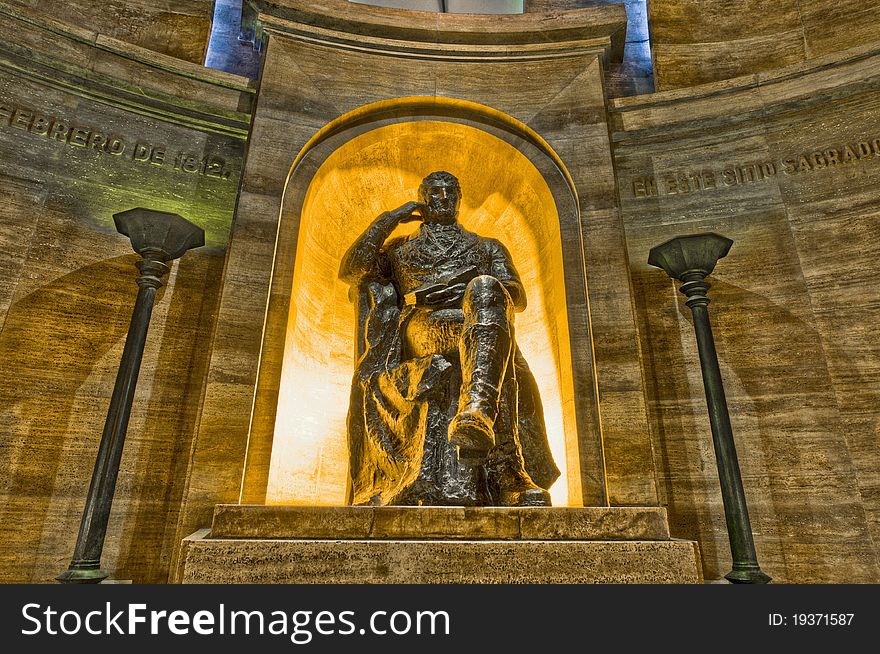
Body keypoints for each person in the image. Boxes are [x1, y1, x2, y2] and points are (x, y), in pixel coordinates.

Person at [339, 171, 558, 506]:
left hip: (476, 318)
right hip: (423, 326)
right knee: (497, 349)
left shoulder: (487, 246)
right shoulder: (400, 249)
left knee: (487, 290)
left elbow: (517, 294)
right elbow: (352, 270)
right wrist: (391, 218)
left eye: (450, 193)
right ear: (423, 199)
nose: (443, 199)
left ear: (459, 197)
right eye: (435, 193)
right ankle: (506, 468)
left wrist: (468, 287)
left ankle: (478, 419)